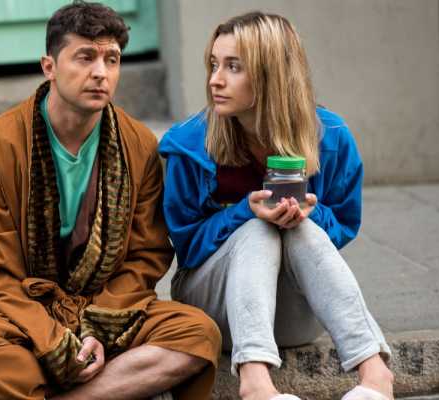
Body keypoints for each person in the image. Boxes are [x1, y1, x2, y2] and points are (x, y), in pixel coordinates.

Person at [0, 2, 221, 399]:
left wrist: (96, 330)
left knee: (197, 333)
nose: (100, 72)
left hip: (108, 311)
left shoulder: (138, 145)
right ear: (49, 67)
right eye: (85, 57)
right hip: (18, 313)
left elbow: (146, 255)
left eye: (111, 59)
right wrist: (51, 340)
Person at [159, 11, 395, 400]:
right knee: (257, 229)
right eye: (214, 64)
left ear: (271, 73)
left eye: (233, 67)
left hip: (296, 316)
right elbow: (185, 245)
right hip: (214, 311)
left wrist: (308, 213)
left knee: (302, 229)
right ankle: (255, 383)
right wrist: (244, 212)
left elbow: (344, 225)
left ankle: (375, 375)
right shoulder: (189, 144)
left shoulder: (330, 136)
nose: (215, 79)